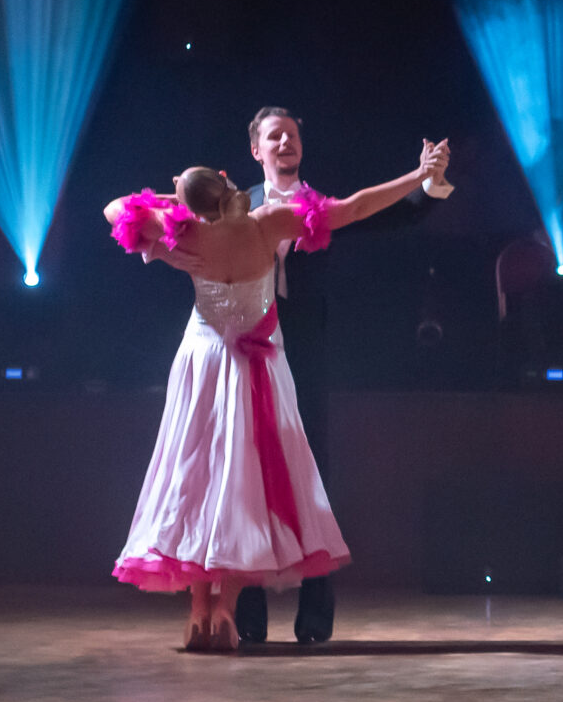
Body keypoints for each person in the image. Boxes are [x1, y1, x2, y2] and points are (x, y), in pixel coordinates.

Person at [105, 157, 440, 651]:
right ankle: (225, 608)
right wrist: (416, 176)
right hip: (255, 366)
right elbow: (354, 208)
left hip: (203, 362)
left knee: (196, 476)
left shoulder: (182, 234)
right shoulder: (268, 224)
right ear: (225, 182)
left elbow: (115, 209)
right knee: (244, 481)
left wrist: (173, 203)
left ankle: (199, 611)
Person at [235, 109, 450, 644]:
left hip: (304, 351)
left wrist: (429, 182)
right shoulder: (235, 205)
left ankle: (314, 616)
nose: (285, 142)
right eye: (274, 136)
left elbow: (386, 214)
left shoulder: (319, 205)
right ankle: (248, 615)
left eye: (292, 135)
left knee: (313, 477)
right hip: (248, 354)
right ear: (256, 150)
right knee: (245, 477)